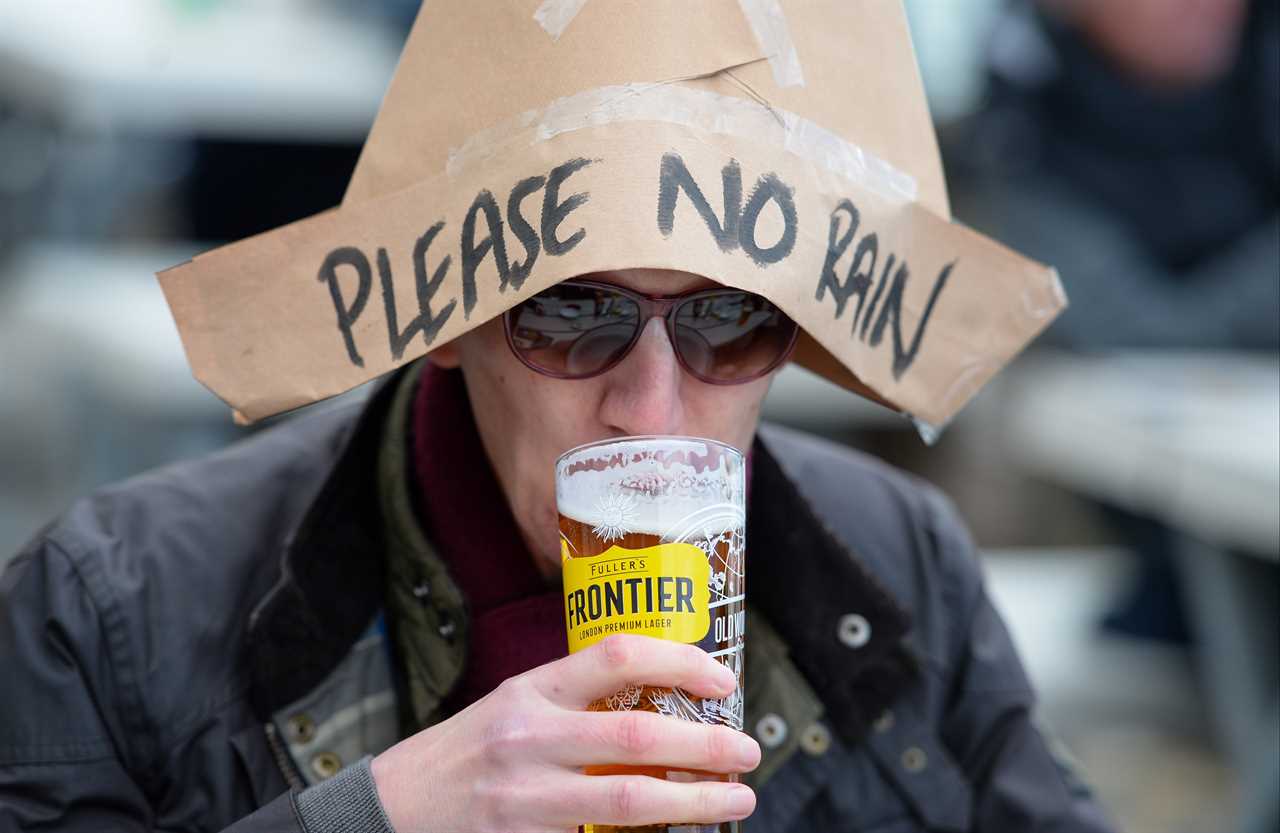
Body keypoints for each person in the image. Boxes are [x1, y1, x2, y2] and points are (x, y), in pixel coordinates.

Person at [0, 3, 1117, 832]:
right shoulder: (111, 606)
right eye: (574, 312)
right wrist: (368, 818)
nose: (648, 408)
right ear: (451, 315)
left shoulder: (897, 567)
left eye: (729, 321)